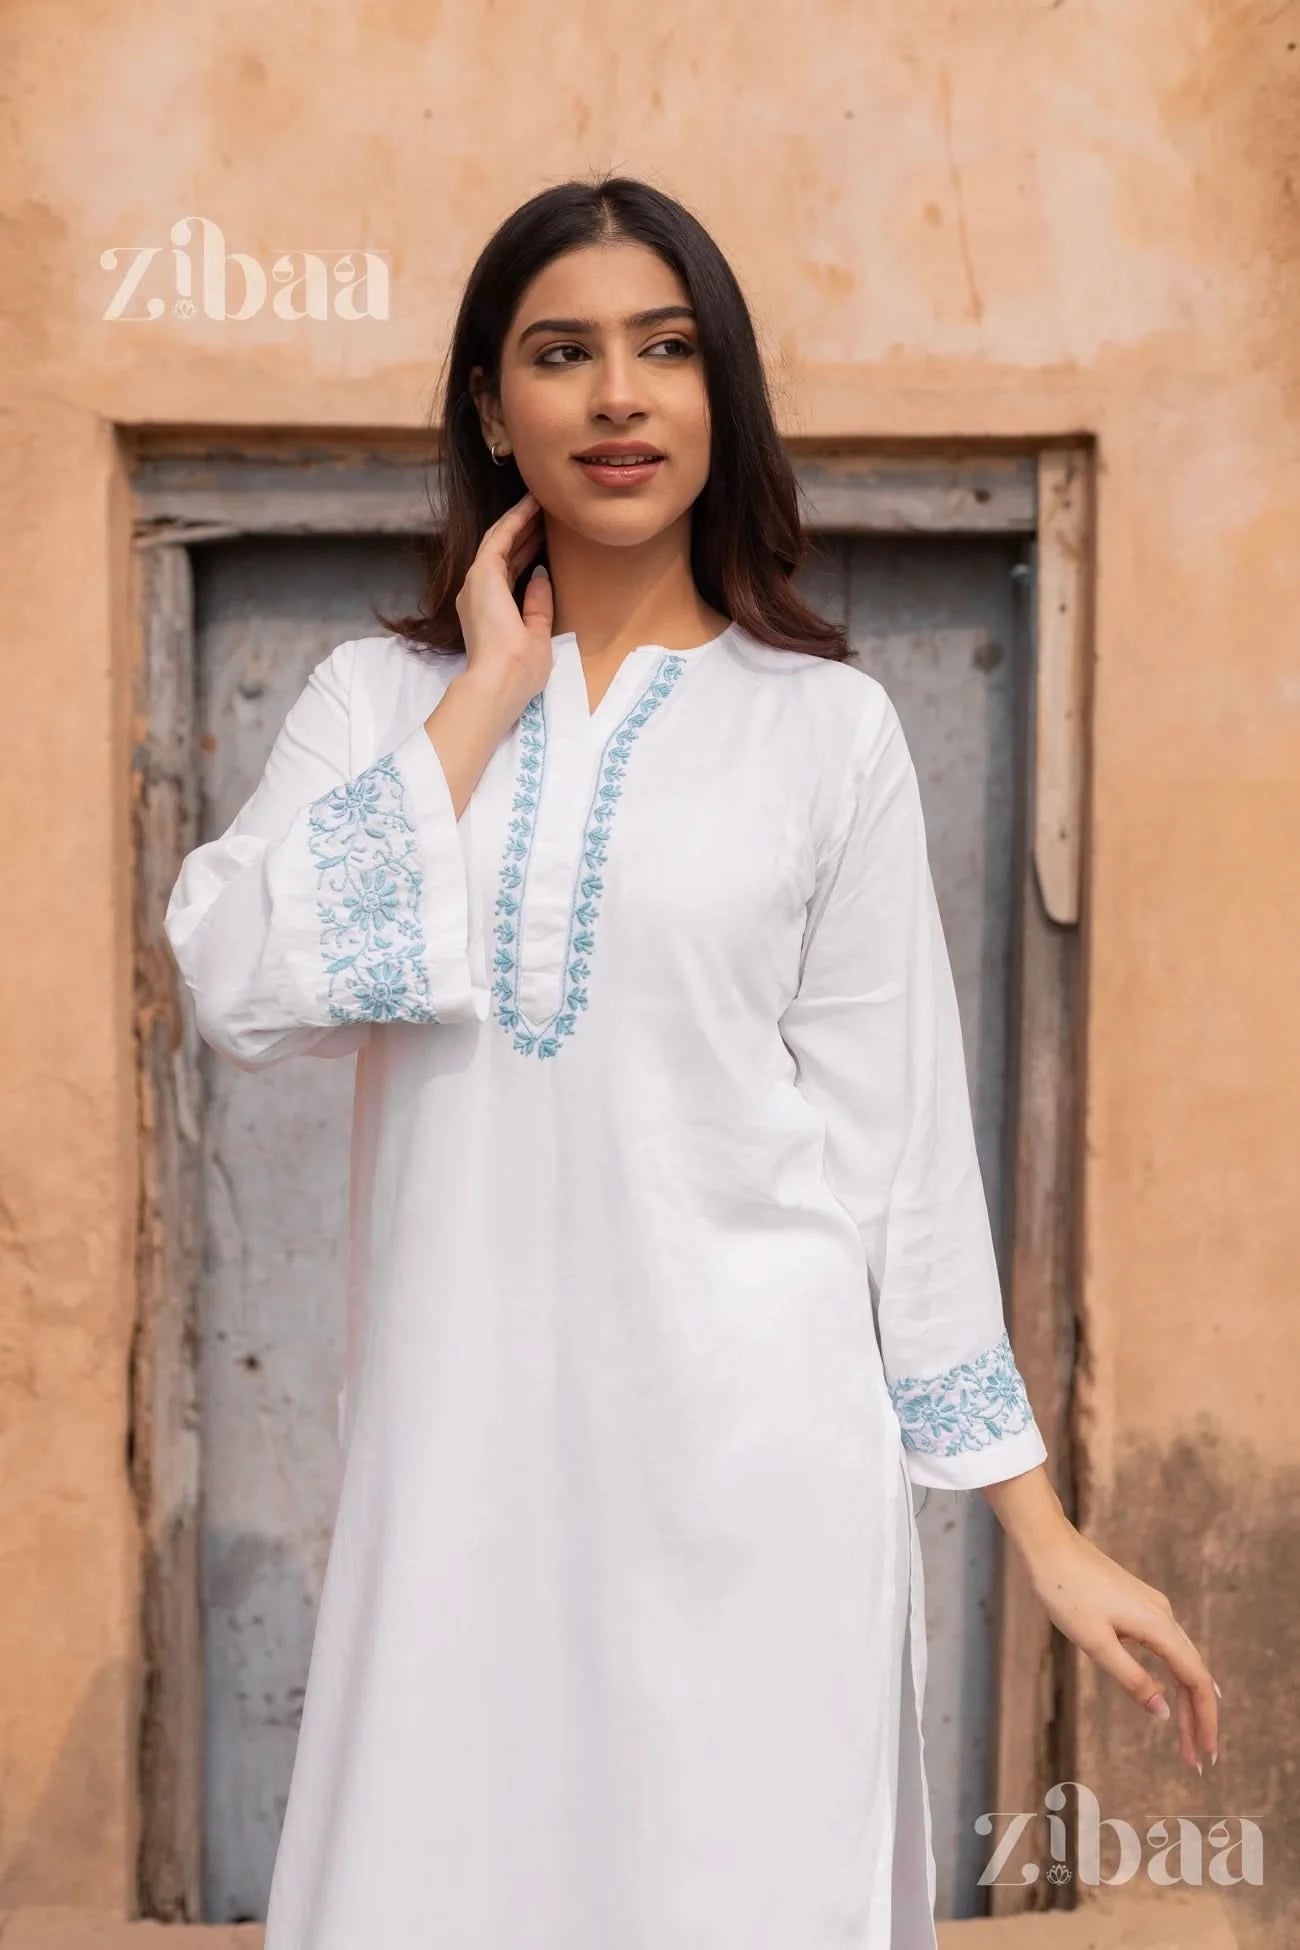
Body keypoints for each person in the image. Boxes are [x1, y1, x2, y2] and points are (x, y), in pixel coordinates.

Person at [165, 173, 1219, 1948]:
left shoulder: (827, 731)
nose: (619, 395)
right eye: (562, 355)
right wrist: (485, 696)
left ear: (720, 391)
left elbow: (901, 1160)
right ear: (496, 410)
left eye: (665, 350)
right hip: (463, 1485)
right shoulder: (379, 704)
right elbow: (245, 977)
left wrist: (1041, 1534)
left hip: (756, 1480)